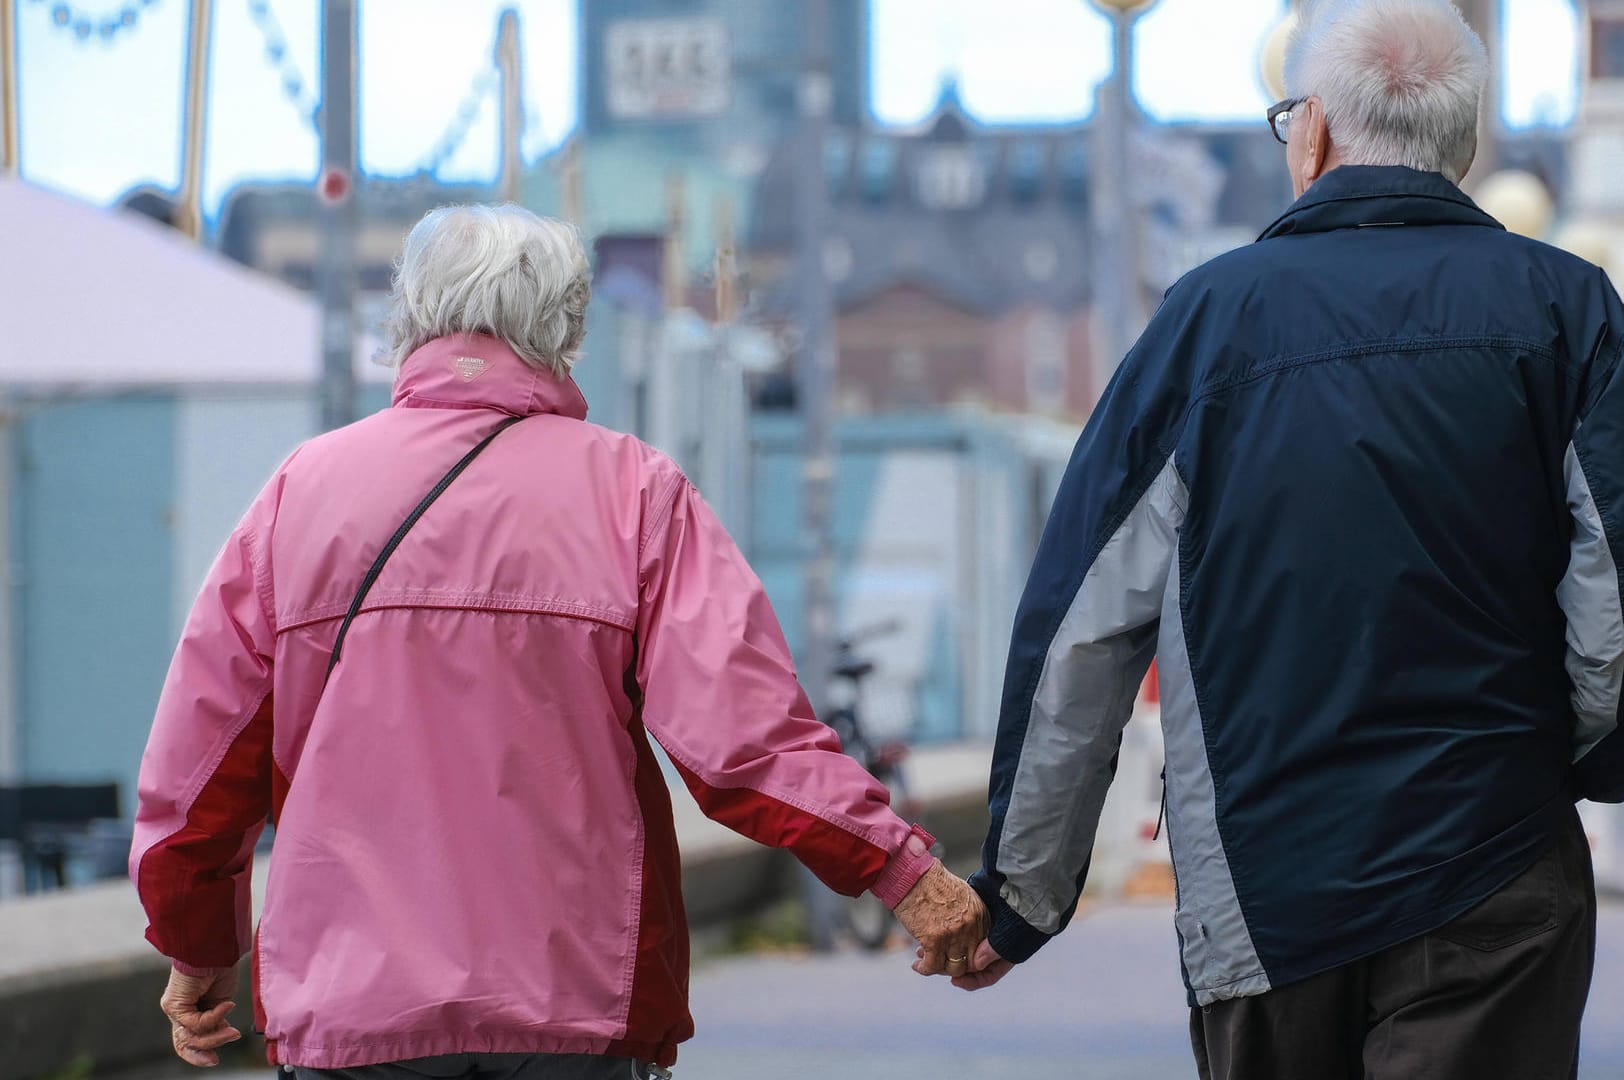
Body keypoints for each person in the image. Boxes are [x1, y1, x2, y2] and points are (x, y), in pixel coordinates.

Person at [950, 1, 1624, 1077]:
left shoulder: (1208, 321)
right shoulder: (1568, 311)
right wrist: (1589, 754)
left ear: (1310, 132)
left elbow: (1082, 620)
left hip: (1268, 885)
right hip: (1495, 860)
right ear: (1461, 146)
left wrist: (1021, 892)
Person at [131, 204, 986, 1077]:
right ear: (566, 328)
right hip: (574, 1001)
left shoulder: (297, 495)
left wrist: (198, 947)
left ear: (412, 316)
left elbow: (201, 767)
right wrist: (903, 872)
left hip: (354, 1009)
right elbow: (748, 742)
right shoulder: (634, 494)